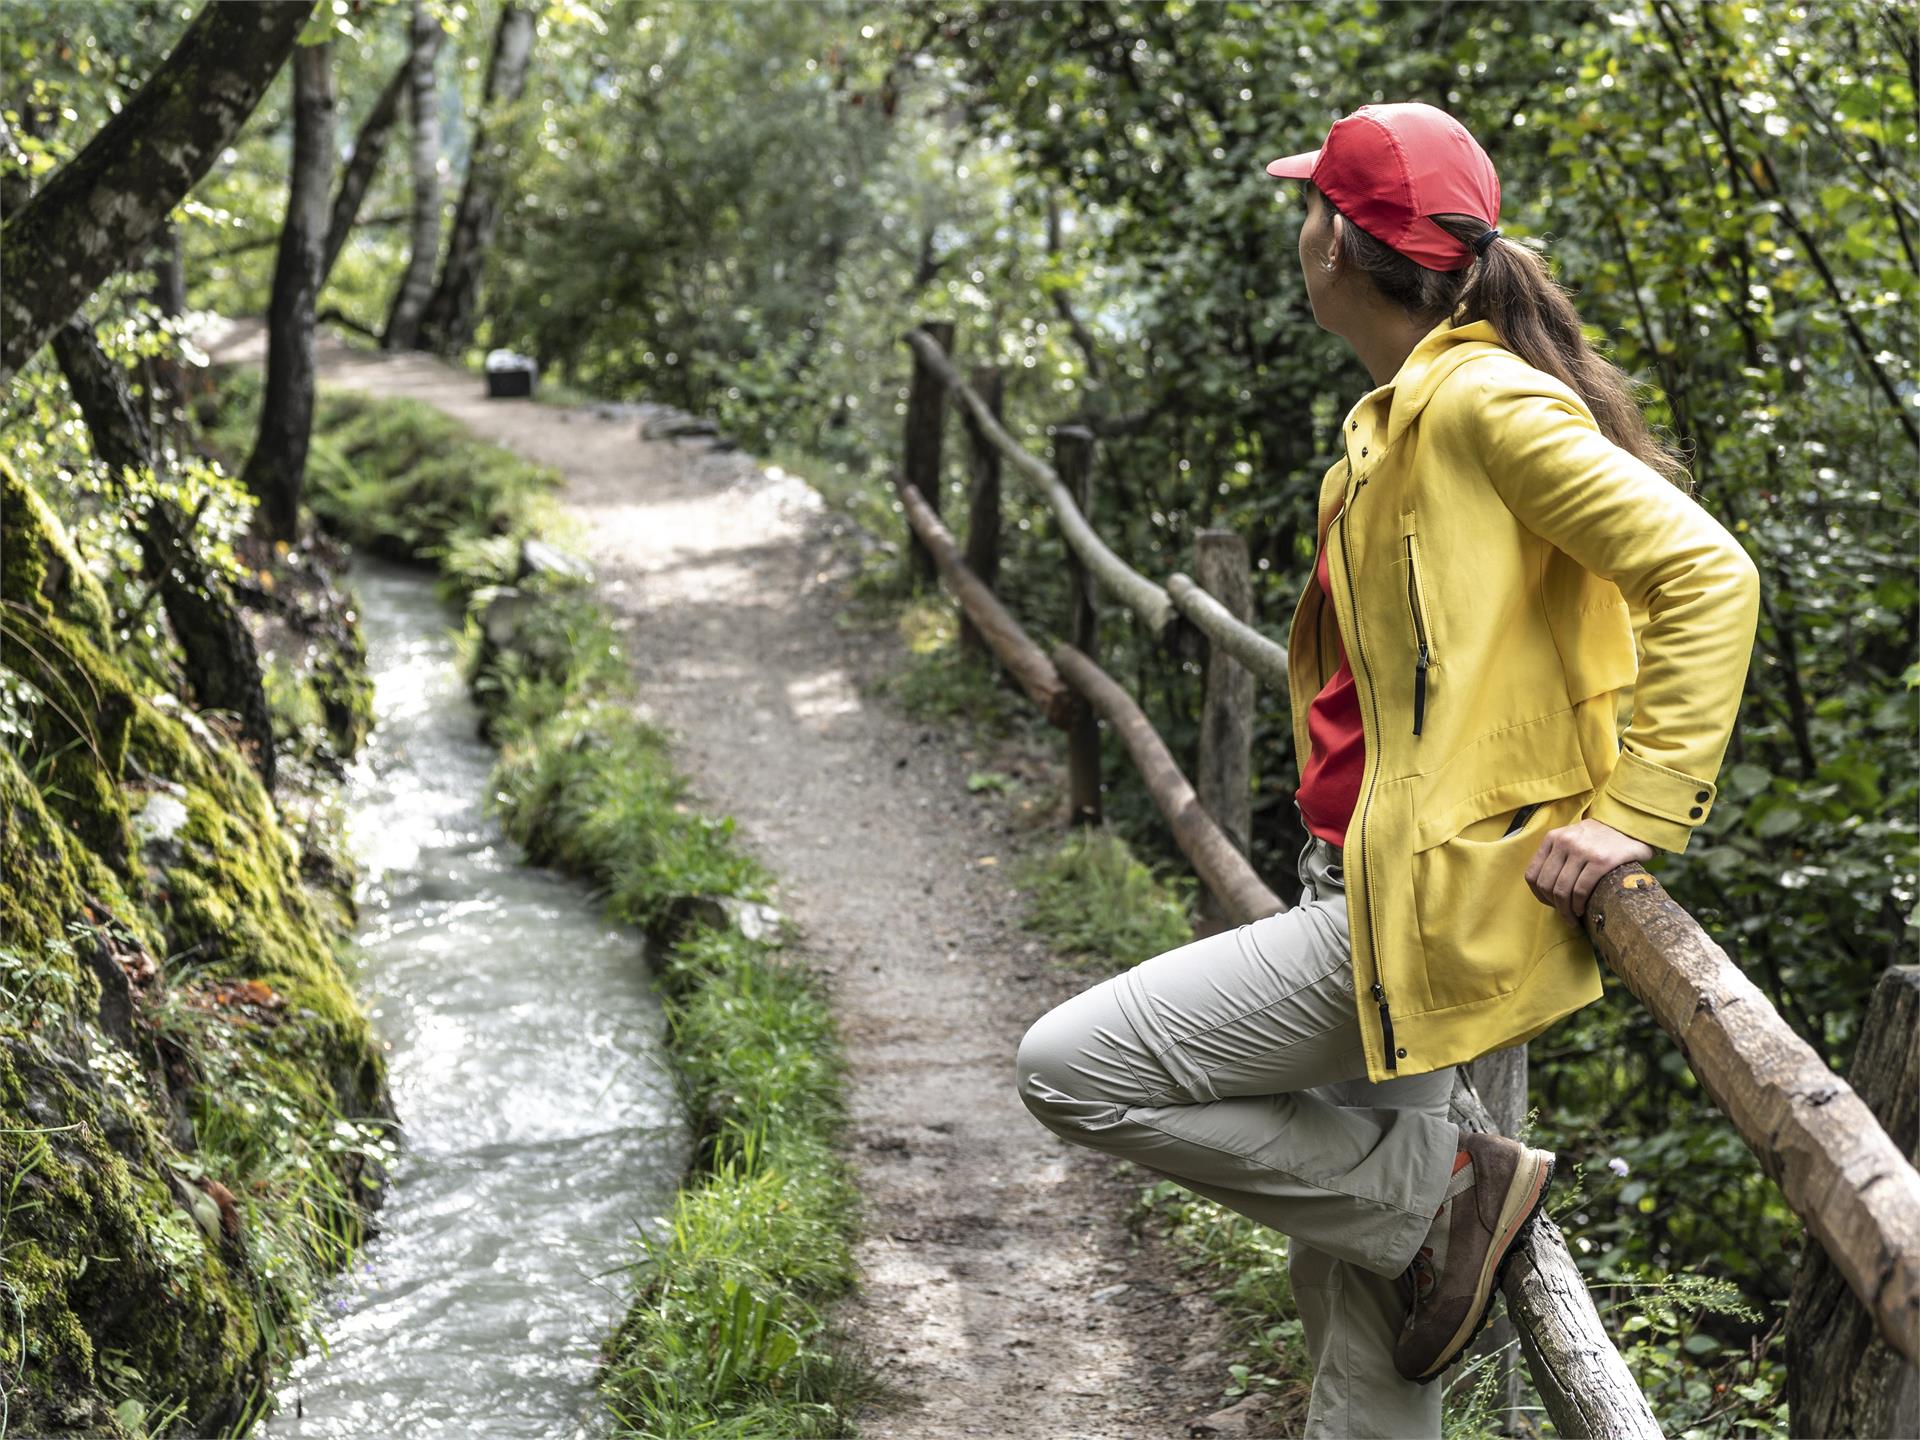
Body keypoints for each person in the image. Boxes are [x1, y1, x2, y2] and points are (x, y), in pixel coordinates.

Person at [1013, 101, 1760, 1437]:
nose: (1296, 227)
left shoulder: (1478, 406)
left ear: (1341, 250)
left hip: (1408, 908)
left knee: (1074, 1067)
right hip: (1367, 881)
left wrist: (1639, 811)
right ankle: (1421, 1212)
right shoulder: (1415, 408)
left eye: (1310, 206)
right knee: (1362, 1320)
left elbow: (1707, 571)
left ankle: (1440, 1193)